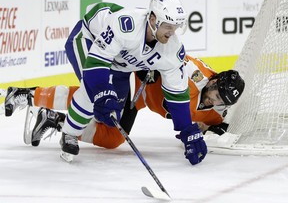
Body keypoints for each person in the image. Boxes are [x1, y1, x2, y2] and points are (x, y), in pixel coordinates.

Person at [5, 0, 208, 165]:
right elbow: (96, 64)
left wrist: (187, 128)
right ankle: (69, 132)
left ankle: (52, 117)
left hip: (119, 64)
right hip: (88, 39)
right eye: (167, 26)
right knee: (91, 92)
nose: (172, 33)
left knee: (111, 118)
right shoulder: (126, 25)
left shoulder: (172, 49)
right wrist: (102, 90)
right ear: (153, 19)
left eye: (176, 27)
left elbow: (177, 92)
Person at [4, 55, 245, 163]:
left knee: (112, 139)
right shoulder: (193, 73)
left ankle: (55, 120)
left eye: (221, 101)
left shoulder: (217, 111)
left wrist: (210, 132)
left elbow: (208, 129)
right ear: (212, 82)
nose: (214, 102)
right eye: (215, 96)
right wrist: (148, 66)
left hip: (141, 101)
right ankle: (27, 94)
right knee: (94, 99)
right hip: (133, 81)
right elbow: (167, 55)